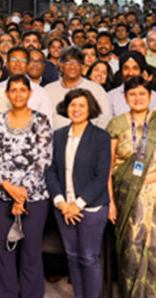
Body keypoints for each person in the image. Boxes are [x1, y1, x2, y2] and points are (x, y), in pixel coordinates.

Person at [0, 74, 52, 298]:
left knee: (31, 251)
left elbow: (43, 160)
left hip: (34, 197)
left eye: (22, 90)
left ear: (30, 93)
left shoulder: (41, 120)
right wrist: (9, 189)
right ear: (7, 94)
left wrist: (20, 196)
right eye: (13, 90)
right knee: (4, 250)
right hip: (0, 195)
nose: (18, 94)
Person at [107, 76, 156, 298]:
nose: (137, 98)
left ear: (150, 96)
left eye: (142, 94)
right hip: (128, 196)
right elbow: (109, 168)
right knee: (131, 250)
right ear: (125, 98)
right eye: (132, 94)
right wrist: (111, 204)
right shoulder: (116, 124)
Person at [46, 88, 115, 298]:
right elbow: (50, 171)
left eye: (81, 105)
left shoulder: (101, 137)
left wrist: (77, 204)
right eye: (72, 105)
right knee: (72, 257)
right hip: (63, 207)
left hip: (91, 208)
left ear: (90, 109)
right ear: (66, 108)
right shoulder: (57, 136)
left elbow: (101, 176)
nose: (76, 109)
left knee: (88, 257)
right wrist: (62, 203)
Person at [46, 47, 111, 130]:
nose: (72, 66)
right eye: (68, 62)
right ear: (61, 66)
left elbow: (104, 118)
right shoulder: (48, 90)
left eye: (77, 63)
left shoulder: (96, 89)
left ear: (82, 67)